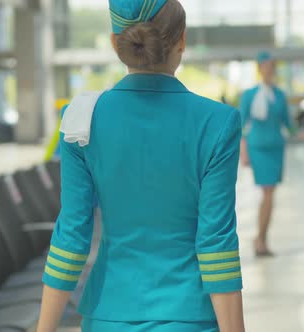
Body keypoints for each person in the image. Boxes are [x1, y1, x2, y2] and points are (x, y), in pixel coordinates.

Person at [36, 1, 245, 331]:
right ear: (182, 41)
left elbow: (72, 237)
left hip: (108, 314)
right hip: (189, 316)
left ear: (114, 43)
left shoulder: (81, 120)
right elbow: (216, 242)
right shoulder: (218, 122)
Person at [239, 52, 304, 257]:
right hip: (258, 148)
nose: (269, 70)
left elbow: (289, 126)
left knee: (270, 193)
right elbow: (241, 127)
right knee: (268, 193)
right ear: (259, 69)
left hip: (276, 148)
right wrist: (243, 153)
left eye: (272, 67)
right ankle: (260, 239)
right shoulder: (249, 95)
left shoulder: (280, 95)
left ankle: (261, 239)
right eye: (266, 67)